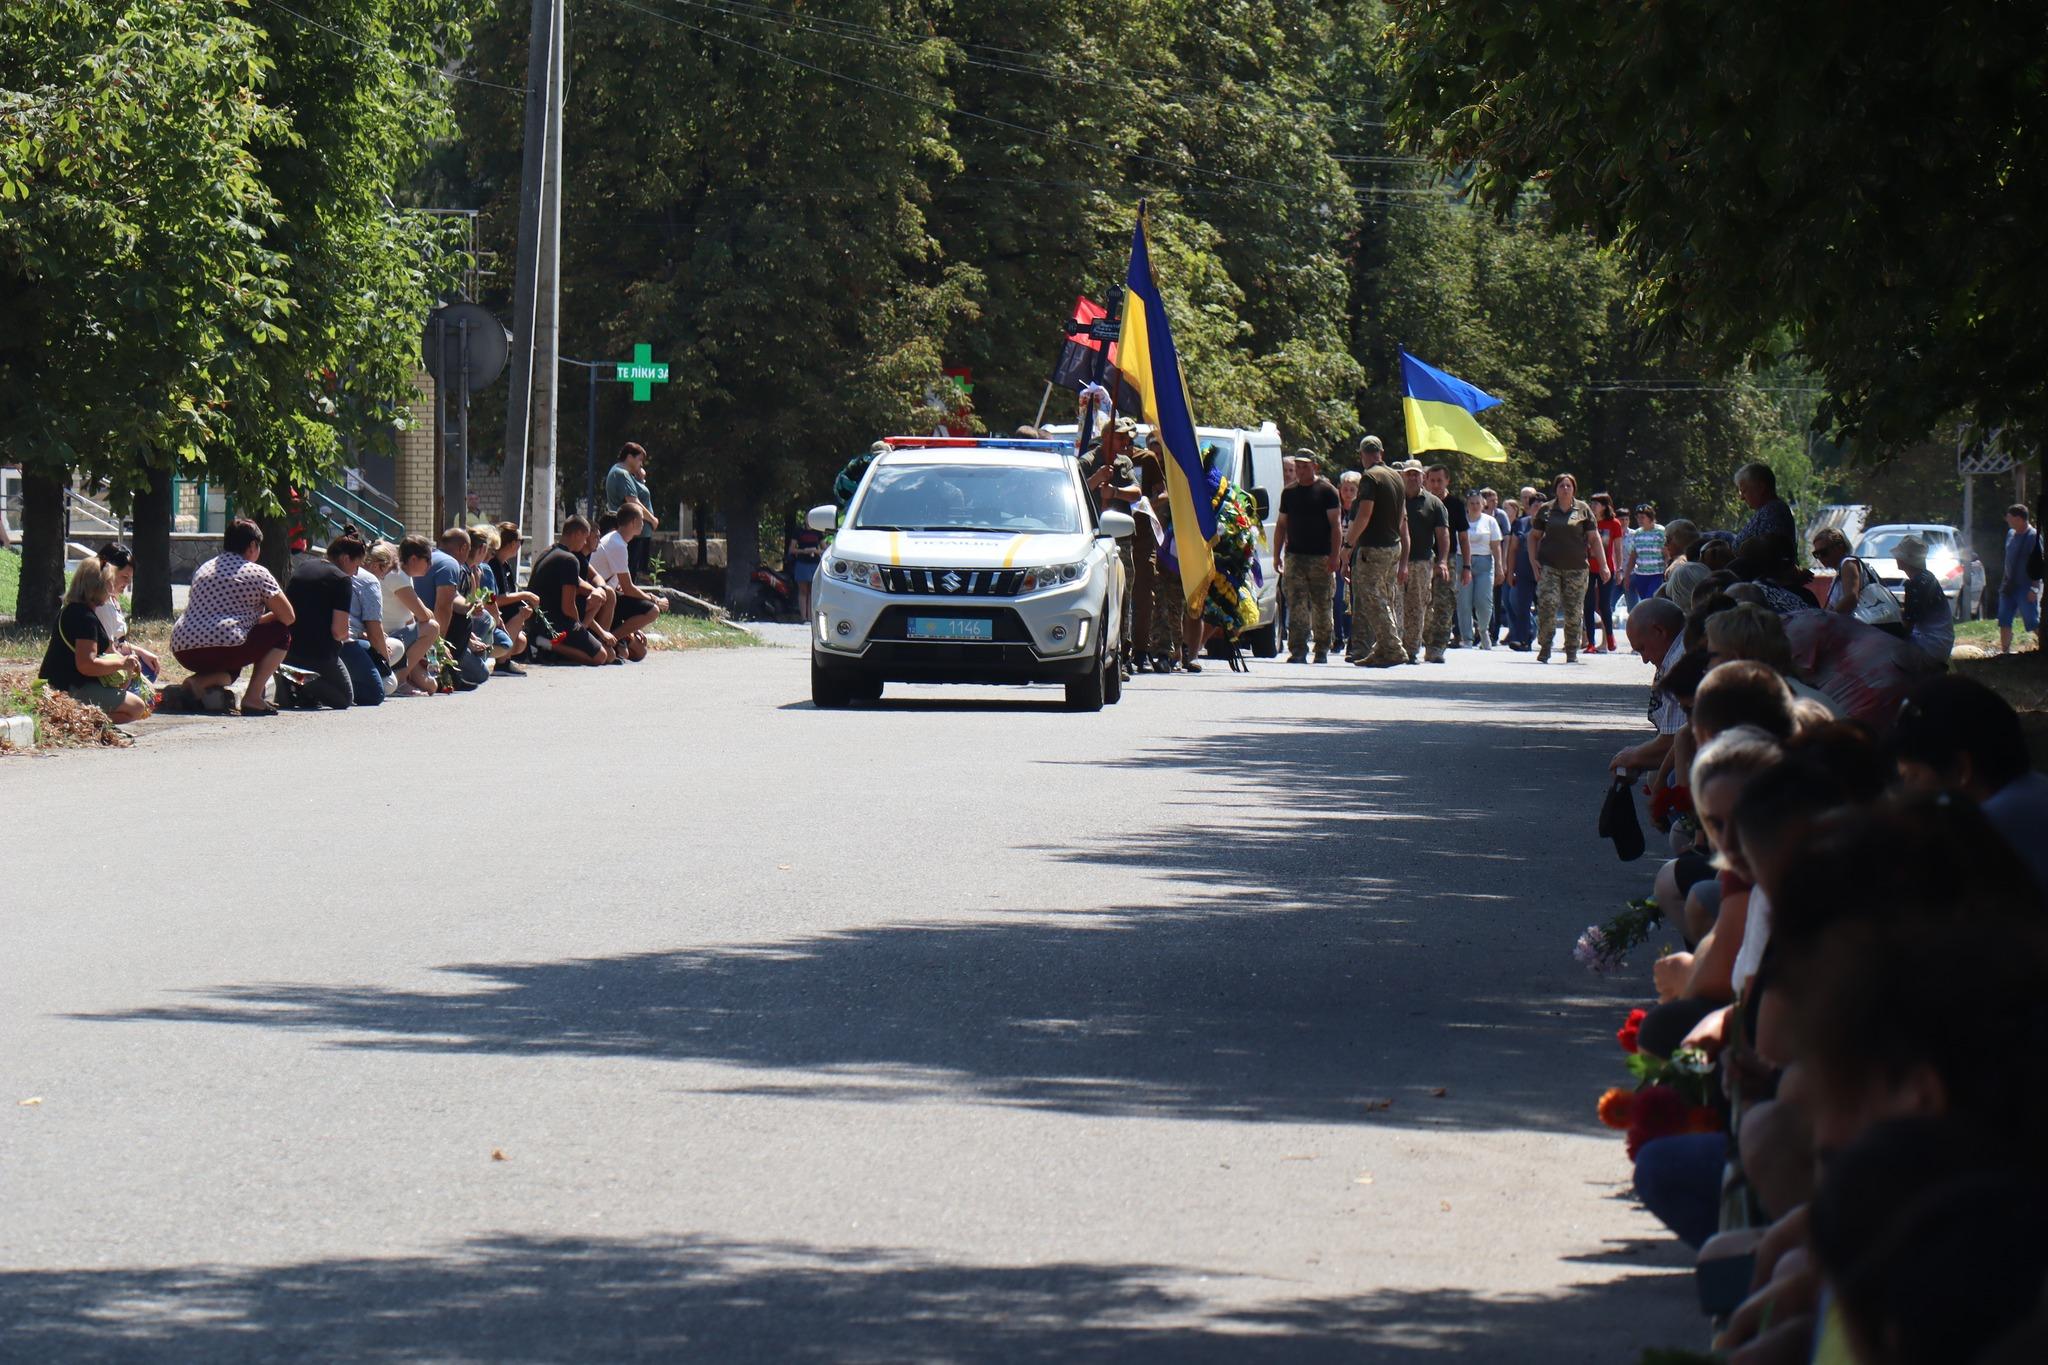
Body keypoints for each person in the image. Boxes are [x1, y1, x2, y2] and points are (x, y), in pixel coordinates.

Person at [1893, 674, 2048, 895]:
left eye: (1911, 776)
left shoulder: (1982, 835)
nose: (1905, 790)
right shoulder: (2034, 790)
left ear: (1961, 769)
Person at [169, 518, 295, 715]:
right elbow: (288, 616)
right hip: (225, 646)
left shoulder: (204, 568)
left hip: (183, 647)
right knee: (282, 634)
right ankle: (253, 697)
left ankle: (198, 683)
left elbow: (217, 612)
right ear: (253, 545)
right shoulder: (257, 572)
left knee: (233, 669)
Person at [38, 556, 152, 723]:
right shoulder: (85, 618)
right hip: (68, 688)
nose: (113, 589)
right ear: (99, 586)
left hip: (59, 683)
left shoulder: (72, 610)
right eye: (110, 583)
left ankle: (77, 718)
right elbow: (87, 665)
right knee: (135, 707)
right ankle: (75, 720)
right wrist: (122, 664)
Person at [1340, 435, 1409, 668]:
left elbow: (1364, 514)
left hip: (1374, 547)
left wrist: (1348, 545)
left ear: (1363, 455)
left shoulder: (1370, 478)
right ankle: (1381, 648)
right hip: (1393, 545)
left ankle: (1391, 647)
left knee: (1370, 596)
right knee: (1385, 597)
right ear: (1381, 453)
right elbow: (1401, 517)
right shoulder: (1396, 477)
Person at [1526, 473, 1607, 663]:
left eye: (1568, 486)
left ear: (1574, 489)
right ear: (1556, 489)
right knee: (1547, 605)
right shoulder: (1546, 510)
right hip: (1550, 566)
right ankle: (1545, 647)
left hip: (1577, 568)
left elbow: (1594, 539)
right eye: (1561, 486)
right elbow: (1533, 536)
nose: (1565, 489)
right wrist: (1533, 560)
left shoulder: (1583, 509)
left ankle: (1571, 649)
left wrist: (1603, 565)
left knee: (1573, 610)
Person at [275, 532, 359, 710]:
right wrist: (347, 633)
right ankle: (297, 679)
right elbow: (338, 631)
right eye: (356, 565)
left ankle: (290, 677)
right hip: (320, 652)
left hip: (290, 647)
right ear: (345, 558)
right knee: (344, 698)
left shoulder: (305, 566)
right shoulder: (342, 580)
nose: (356, 572)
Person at [1608, 598, 1687, 778]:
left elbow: (1672, 741)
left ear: (1659, 631)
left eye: (1642, 648)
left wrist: (1633, 756)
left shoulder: (1680, 661)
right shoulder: (1681, 648)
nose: (1644, 659)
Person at [1275, 454, 1340, 663]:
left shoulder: (1327, 492)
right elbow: (1282, 525)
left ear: (1315, 466)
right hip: (1295, 556)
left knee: (1322, 604)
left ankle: (1321, 649)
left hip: (1321, 557)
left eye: (1305, 466)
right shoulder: (1289, 493)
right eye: (1298, 467)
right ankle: (1298, 650)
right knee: (1296, 604)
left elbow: (1336, 526)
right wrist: (1277, 555)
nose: (1301, 470)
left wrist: (1334, 556)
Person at [528, 516, 615, 665]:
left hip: (537, 619)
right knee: (601, 656)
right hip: (553, 622)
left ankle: (551, 646)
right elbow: (568, 607)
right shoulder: (570, 560)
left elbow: (580, 584)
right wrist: (580, 628)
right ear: (577, 534)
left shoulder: (549, 551)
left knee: (610, 655)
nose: (584, 543)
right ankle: (546, 644)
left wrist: (597, 591)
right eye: (585, 538)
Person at [590, 502, 664, 661]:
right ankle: (608, 640)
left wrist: (634, 626)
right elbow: (628, 588)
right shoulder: (617, 544)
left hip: (612, 599)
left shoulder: (619, 541)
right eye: (641, 521)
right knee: (653, 610)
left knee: (640, 652)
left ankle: (613, 639)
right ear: (633, 523)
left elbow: (622, 587)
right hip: (603, 603)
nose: (643, 524)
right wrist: (653, 598)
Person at [1397, 460, 1449, 664]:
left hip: (1421, 561)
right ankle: (1395, 645)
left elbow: (1443, 535)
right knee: (1395, 603)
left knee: (1416, 606)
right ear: (1402, 476)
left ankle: (1411, 649)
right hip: (1396, 559)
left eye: (1416, 474)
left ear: (1423, 477)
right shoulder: (1395, 499)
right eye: (1408, 474)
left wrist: (1443, 561)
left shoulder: (1434, 503)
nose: (1412, 477)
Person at [1809, 526, 1901, 634]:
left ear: (1840, 546)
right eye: (1816, 554)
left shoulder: (1848, 564)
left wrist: (1827, 619)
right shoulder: (1841, 570)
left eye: (1824, 552)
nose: (1820, 557)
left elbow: (1851, 598)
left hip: (1864, 632)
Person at [377, 538, 439, 696]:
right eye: (428, 560)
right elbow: (424, 616)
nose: (430, 565)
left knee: (432, 686)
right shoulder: (398, 576)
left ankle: (402, 677)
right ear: (413, 559)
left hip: (399, 639)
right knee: (432, 627)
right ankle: (400, 681)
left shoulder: (403, 575)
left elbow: (411, 618)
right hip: (389, 641)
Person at [91, 541, 158, 680]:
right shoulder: (103, 605)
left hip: (110, 658)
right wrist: (130, 667)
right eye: (124, 577)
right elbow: (108, 650)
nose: (128, 583)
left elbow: (116, 643)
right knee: (145, 676)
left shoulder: (112, 599)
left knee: (149, 667)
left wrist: (141, 652)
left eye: (130, 578)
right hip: (102, 668)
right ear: (108, 572)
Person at [336, 536, 389, 707]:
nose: (357, 572)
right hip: (340, 643)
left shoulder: (308, 569)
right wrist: (385, 667)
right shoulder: (349, 581)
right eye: (357, 565)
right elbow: (342, 632)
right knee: (384, 687)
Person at [1423, 465, 1468, 655]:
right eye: (1432, 481)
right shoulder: (1421, 502)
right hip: (1423, 559)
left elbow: (1464, 538)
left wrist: (1467, 566)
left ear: (1447, 481)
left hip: (1446, 560)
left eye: (1439, 481)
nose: (1435, 485)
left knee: (1444, 604)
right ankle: (1424, 641)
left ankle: (1438, 648)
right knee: (1423, 604)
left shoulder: (1456, 505)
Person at [486, 523, 539, 674]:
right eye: (520, 541)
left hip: (502, 616)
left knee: (521, 642)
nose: (520, 545)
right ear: (511, 543)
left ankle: (505, 658)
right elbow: (494, 599)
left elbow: (508, 594)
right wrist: (525, 595)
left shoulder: (506, 565)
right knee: (520, 614)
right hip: (492, 616)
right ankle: (502, 663)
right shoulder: (492, 565)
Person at [1892, 535, 1955, 664]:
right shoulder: (1927, 577)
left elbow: (1907, 627)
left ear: (1906, 559)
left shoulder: (1915, 585)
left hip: (1929, 645)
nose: (1896, 558)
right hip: (1941, 642)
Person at [604, 441, 660, 580]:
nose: (641, 464)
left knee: (632, 571)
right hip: (630, 531)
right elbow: (633, 501)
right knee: (630, 572)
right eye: (639, 459)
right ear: (629, 457)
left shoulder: (625, 474)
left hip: (634, 531)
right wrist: (652, 519)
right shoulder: (622, 474)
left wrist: (640, 479)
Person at [1580, 493, 1627, 654]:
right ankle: (1591, 643)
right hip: (1587, 568)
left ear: (1605, 506)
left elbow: (1618, 549)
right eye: (1591, 503)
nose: (1593, 506)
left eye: (1597, 504)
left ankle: (1609, 636)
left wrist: (1620, 569)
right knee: (1588, 604)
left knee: (1604, 605)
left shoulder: (1613, 524)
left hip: (1606, 568)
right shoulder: (1586, 522)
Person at [1997, 502, 2041, 653]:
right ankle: (2005, 652)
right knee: (2003, 619)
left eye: (2009, 518)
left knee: (2032, 622)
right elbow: (2008, 561)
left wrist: (2034, 588)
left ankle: (2043, 649)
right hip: (2008, 586)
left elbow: (2038, 564)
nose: (2007, 520)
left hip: (2026, 587)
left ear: (2019, 519)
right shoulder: (2010, 534)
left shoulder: (2033, 537)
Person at [1458, 491, 1499, 649]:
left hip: (1484, 562)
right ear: (1467, 505)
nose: (1475, 506)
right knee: (1464, 602)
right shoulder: (1461, 520)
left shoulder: (1490, 521)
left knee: (1484, 601)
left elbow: (1496, 546)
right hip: (1463, 561)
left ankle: (1483, 631)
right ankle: (1467, 638)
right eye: (1471, 503)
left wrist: (1500, 567)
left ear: (1483, 504)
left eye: (1477, 503)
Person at [1732, 462, 1795, 563]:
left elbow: (1772, 555)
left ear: (1761, 487)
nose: (1742, 497)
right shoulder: (1767, 510)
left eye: (1744, 491)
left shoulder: (1774, 511)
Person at [1504, 488, 1541, 651]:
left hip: (1545, 572)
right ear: (1529, 508)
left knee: (1546, 608)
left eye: (1542, 507)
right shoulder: (1521, 523)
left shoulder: (1552, 526)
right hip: (1524, 572)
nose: (1538, 510)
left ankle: (1543, 637)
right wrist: (1510, 571)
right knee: (1521, 606)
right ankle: (1522, 639)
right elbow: (1512, 549)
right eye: (1535, 507)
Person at [1620, 503, 1665, 617]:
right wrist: (1627, 576)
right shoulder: (1637, 533)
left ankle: (1650, 625)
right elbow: (1633, 556)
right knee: (1644, 600)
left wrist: (1667, 570)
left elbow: (1666, 552)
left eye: (1642, 517)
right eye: (1638, 517)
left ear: (1650, 517)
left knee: (1650, 600)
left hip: (1656, 574)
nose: (1639, 520)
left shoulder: (1660, 531)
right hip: (1641, 574)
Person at [1334, 471, 1361, 657]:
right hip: (1337, 557)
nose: (1348, 493)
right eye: (1345, 489)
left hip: (1356, 558)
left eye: (1352, 489)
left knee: (1354, 600)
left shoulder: (1361, 510)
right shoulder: (1336, 508)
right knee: (1337, 599)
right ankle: (1337, 636)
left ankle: (1354, 638)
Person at [787, 518, 825, 621]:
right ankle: (803, 617)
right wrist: (804, 551)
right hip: (802, 563)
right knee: (803, 591)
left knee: (812, 591)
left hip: (815, 563)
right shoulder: (798, 531)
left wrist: (816, 551)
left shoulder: (818, 532)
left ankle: (811, 617)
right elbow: (792, 549)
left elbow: (824, 549)